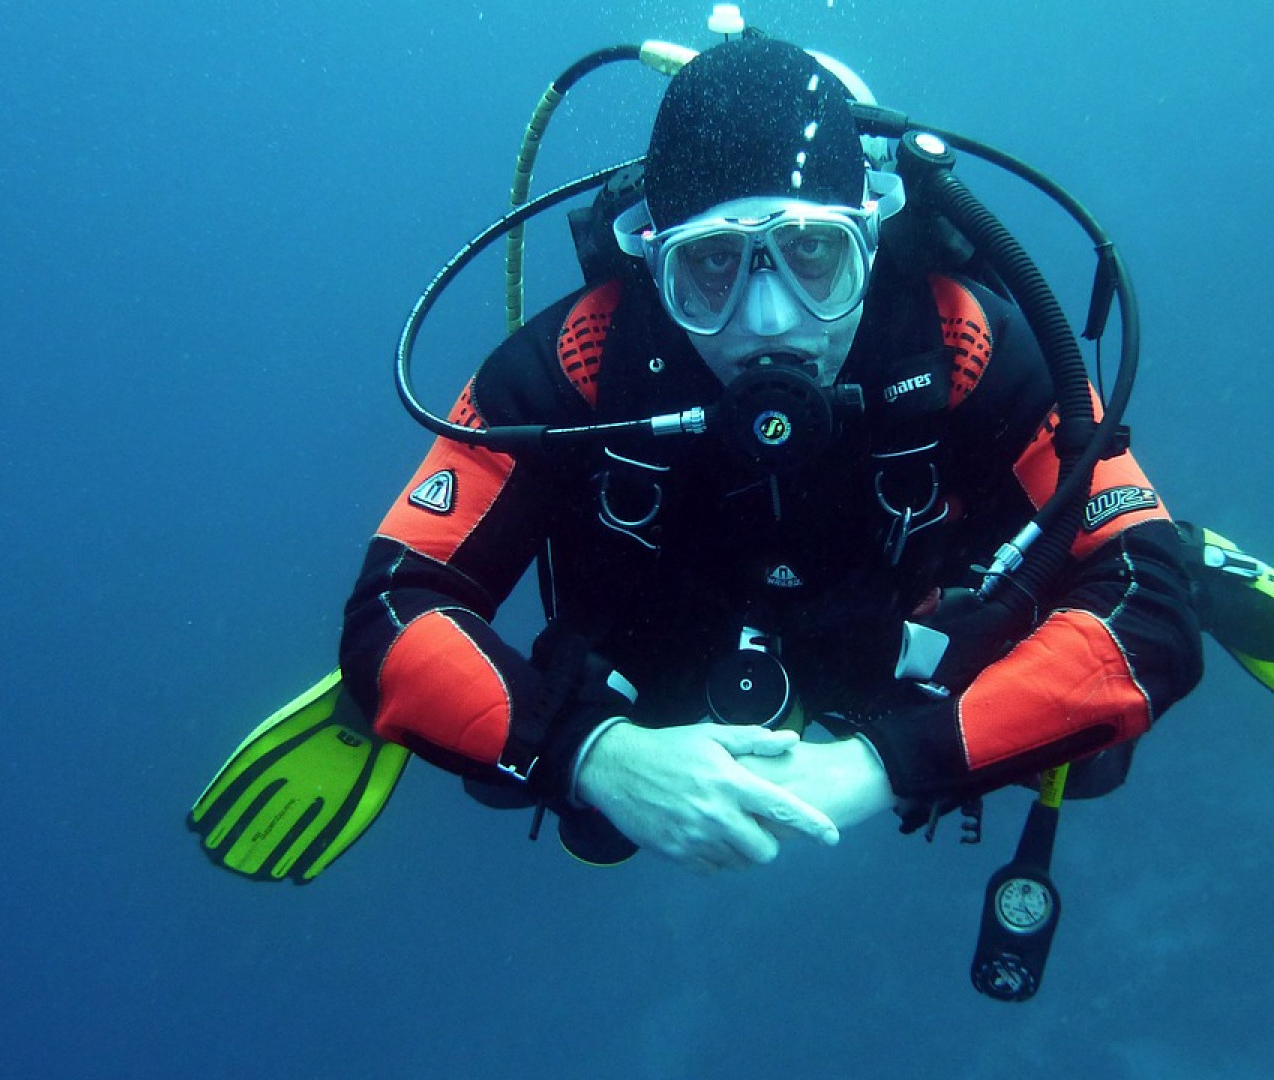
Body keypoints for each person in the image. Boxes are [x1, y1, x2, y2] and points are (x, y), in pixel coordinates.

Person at [335, 35, 1205, 873]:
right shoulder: (578, 364)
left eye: (813, 252)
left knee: (1088, 758)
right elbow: (392, 602)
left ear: (870, 236)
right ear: (652, 262)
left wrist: (882, 765)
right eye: (710, 266)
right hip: (662, 658)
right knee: (526, 781)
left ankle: (1208, 559)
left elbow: (1150, 601)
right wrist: (592, 755)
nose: (769, 321)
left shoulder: (964, 340)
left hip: (907, 640)